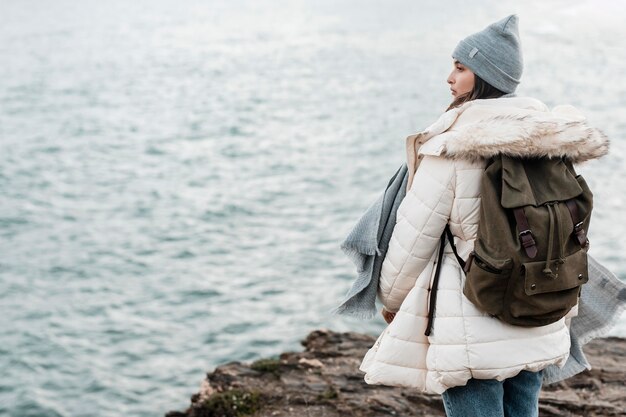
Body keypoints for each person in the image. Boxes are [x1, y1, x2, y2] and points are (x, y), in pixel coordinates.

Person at [358, 14, 610, 417]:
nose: (449, 77)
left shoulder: (452, 150)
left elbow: (414, 239)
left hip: (471, 320)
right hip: (541, 309)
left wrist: (391, 300)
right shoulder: (551, 145)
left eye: (460, 67)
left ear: (486, 76)